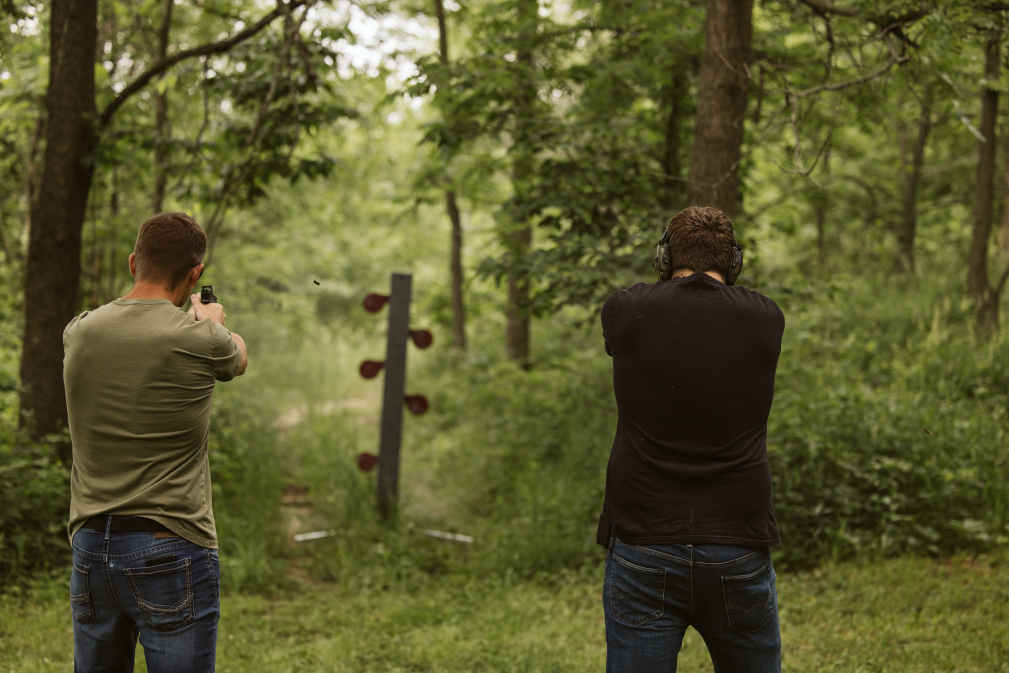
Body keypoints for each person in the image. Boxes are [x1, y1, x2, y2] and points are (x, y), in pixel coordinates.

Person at [597, 206, 785, 672]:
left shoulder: (626, 310)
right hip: (737, 541)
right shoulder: (765, 319)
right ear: (733, 262)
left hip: (644, 538)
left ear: (664, 258)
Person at [63, 212, 248, 672]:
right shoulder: (203, 338)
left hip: (89, 545)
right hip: (170, 542)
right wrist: (211, 319)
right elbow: (237, 359)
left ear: (132, 263)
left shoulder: (78, 330)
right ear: (195, 274)